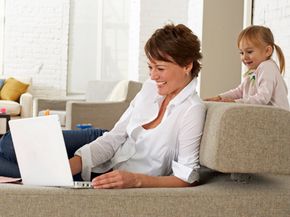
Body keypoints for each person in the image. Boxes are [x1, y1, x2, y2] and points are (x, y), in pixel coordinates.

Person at [0, 23, 206, 189]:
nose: (153, 76)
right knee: (10, 142)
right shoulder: (150, 88)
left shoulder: (191, 110)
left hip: (111, 173)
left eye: (160, 68)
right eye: (150, 67)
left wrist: (135, 180)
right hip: (106, 143)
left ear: (187, 66)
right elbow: (116, 136)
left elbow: (187, 177)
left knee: (4, 163)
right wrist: (70, 165)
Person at [205, 25, 289, 110]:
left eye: (249, 52)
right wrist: (220, 97)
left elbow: (263, 97)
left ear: (267, 51)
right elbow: (240, 91)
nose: (244, 57)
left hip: (279, 118)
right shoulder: (253, 71)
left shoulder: (267, 67)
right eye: (241, 53)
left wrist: (236, 102)